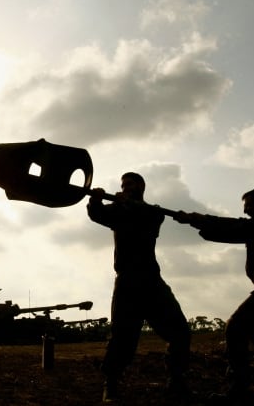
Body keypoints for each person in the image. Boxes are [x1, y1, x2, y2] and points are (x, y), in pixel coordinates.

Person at [173, 187, 254, 398]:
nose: (246, 209)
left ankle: (240, 385)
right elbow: (234, 225)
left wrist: (195, 220)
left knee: (235, 328)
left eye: (250, 205)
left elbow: (234, 227)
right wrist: (197, 221)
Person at [87, 172, 191, 402]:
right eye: (123, 185)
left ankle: (176, 379)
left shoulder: (153, 212)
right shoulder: (117, 211)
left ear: (141, 186)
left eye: (130, 184)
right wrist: (95, 199)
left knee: (180, 332)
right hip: (127, 282)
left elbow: (150, 220)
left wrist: (126, 205)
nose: (126, 187)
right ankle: (111, 384)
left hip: (151, 280)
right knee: (122, 338)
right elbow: (97, 215)